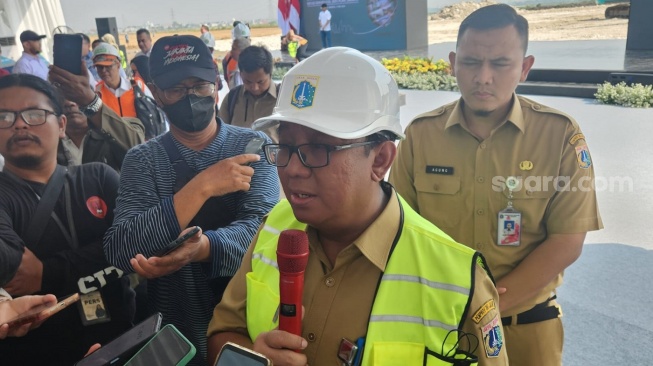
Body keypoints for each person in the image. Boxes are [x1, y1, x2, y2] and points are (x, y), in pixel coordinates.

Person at [206, 47, 507, 366]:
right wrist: (252, 358)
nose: (293, 168)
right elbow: (222, 333)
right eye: (287, 147)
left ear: (380, 160)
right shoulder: (275, 228)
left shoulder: (458, 280)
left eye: (318, 148)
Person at [389, 5, 603, 365]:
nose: (483, 77)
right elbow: (400, 227)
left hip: (525, 329)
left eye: (500, 64)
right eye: (471, 62)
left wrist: (483, 309)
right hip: (439, 326)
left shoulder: (559, 136)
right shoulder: (420, 136)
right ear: (454, 63)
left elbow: (567, 241)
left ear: (524, 67)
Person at [103, 35, 279, 366]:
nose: (190, 97)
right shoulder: (142, 160)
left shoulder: (254, 145)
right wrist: (202, 186)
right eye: (176, 90)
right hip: (178, 338)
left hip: (250, 331)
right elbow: (122, 248)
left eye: (199, 85)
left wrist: (201, 249)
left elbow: (265, 233)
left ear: (216, 83)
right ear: (156, 93)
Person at [0, 74, 135, 365]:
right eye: (5, 117)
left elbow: (137, 241)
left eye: (34, 114)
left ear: (61, 125)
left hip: (123, 337)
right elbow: (9, 270)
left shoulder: (98, 177)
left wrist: (47, 273)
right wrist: (104, 253)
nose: (20, 124)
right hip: (34, 354)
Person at [49, 61, 145, 172]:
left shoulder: (118, 130)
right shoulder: (50, 142)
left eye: (76, 95)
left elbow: (138, 148)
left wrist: (91, 103)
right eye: (63, 96)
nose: (70, 103)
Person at [219, 46, 278, 142]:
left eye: (260, 82)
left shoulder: (284, 98)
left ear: (270, 74)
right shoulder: (232, 98)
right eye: (248, 81)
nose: (254, 88)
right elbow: (220, 135)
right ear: (240, 74)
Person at [93, 42, 153, 118]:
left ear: (118, 64)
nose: (103, 70)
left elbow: (154, 114)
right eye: (99, 67)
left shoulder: (137, 85)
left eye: (108, 66)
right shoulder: (97, 93)